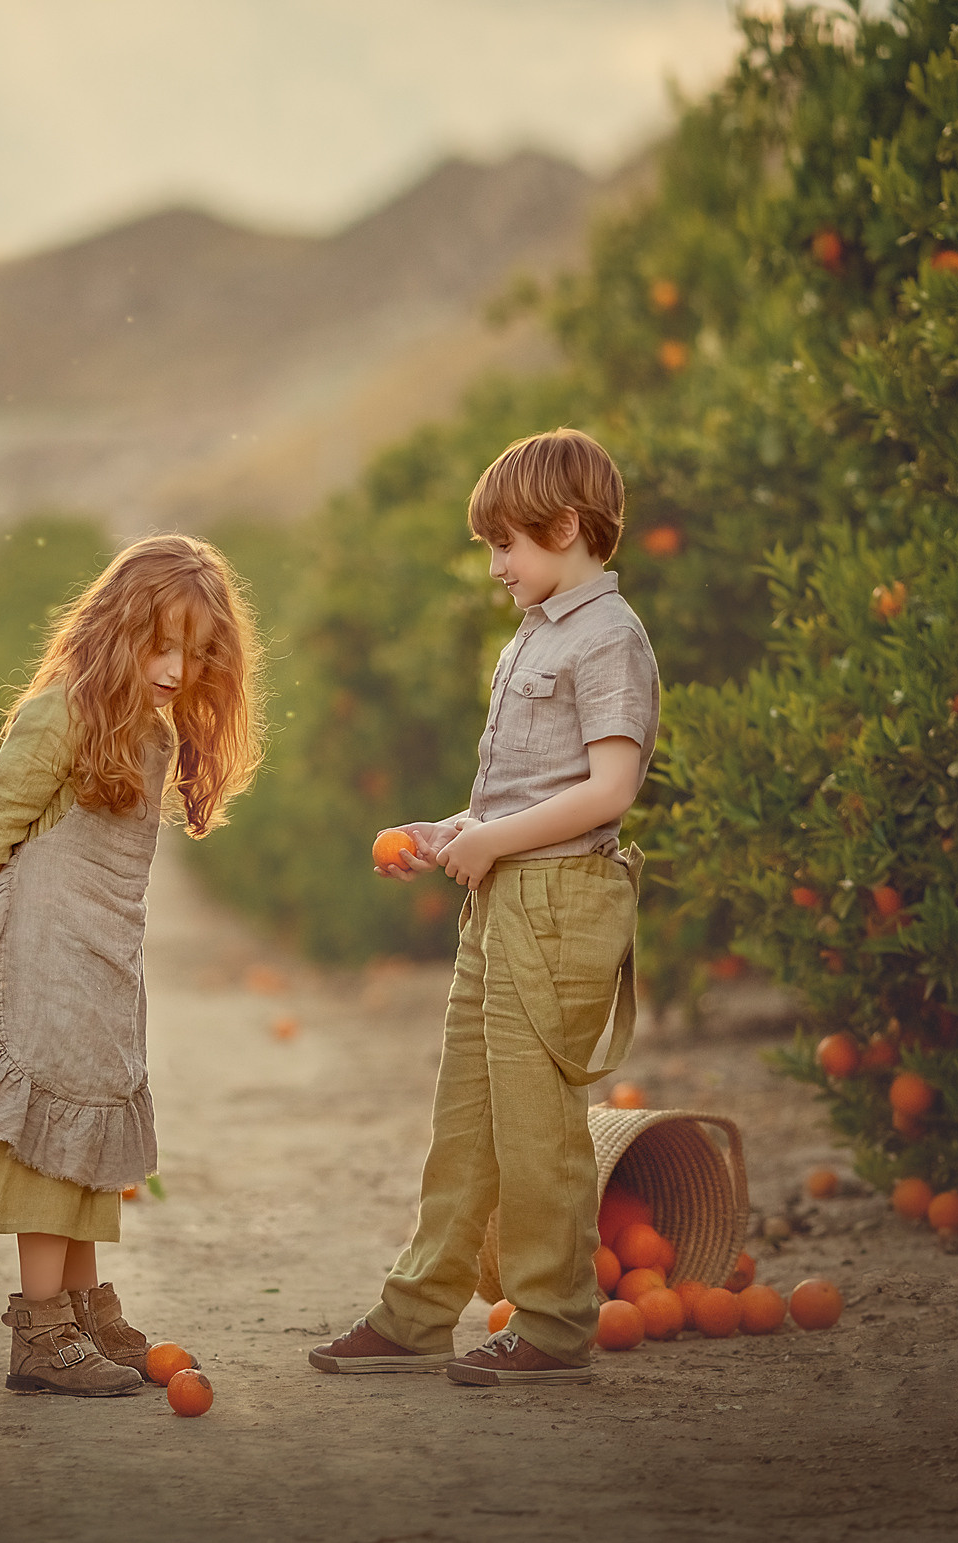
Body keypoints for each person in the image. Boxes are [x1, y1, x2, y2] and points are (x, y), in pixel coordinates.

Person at [310, 427, 659, 1386]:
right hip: (502, 900)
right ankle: (418, 1312)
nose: (496, 565)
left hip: (557, 903)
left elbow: (610, 789)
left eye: (505, 544)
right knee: (463, 1119)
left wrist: (495, 842)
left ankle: (552, 1322)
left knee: (538, 1126)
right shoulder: (535, 632)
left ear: (565, 526)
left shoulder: (609, 637)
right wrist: (451, 831)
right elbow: (522, 794)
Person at [0, 534, 263, 1396]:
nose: (176, 670)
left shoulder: (149, 733)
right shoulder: (60, 714)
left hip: (102, 959)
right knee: (47, 1134)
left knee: (88, 1125)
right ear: (115, 628)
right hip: (37, 954)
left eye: (195, 653)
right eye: (159, 644)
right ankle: (40, 1329)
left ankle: (84, 1308)